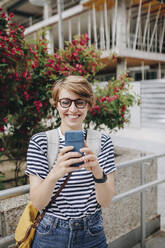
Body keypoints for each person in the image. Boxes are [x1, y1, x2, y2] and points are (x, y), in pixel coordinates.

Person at [26, 75, 116, 248]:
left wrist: (97, 170)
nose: (73, 109)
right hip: (50, 233)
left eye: (80, 102)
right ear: (56, 104)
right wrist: (55, 174)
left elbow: (105, 201)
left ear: (88, 105)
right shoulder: (40, 142)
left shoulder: (102, 141)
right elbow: (37, 202)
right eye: (65, 102)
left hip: (92, 232)